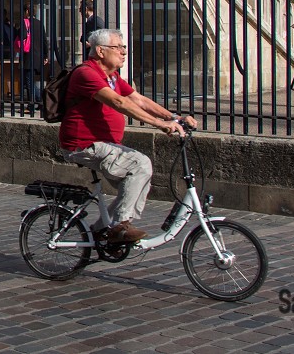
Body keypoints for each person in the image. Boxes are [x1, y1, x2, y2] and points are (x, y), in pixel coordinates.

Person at [59, 28, 195, 244]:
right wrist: (160, 124)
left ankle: (103, 229)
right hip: (84, 144)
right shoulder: (86, 73)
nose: (123, 52)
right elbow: (119, 102)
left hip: (105, 143)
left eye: (124, 47)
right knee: (139, 164)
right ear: (101, 51)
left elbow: (138, 99)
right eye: (118, 47)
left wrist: (174, 117)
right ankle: (120, 226)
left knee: (139, 176)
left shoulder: (111, 76)